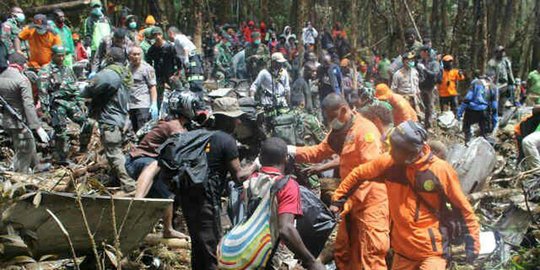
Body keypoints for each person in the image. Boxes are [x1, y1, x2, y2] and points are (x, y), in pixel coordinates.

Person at [331, 121, 480, 270]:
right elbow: (359, 173)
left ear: (411, 151)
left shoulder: (440, 170)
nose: (391, 152)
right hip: (403, 253)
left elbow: (463, 208)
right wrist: (338, 198)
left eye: (396, 149)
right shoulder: (390, 162)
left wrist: (473, 244)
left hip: (432, 252)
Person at [288, 93, 389, 270]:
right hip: (349, 201)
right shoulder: (340, 132)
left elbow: (370, 173)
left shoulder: (365, 132)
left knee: (370, 254)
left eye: (330, 117)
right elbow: (318, 152)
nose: (329, 121)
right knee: (344, 251)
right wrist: (291, 151)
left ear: (343, 110)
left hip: (370, 202)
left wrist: (345, 201)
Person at [179, 97, 256, 269]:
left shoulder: (200, 134)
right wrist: (255, 166)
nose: (238, 121)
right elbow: (239, 176)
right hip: (205, 198)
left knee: (199, 245)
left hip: (187, 195)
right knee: (212, 248)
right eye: (235, 118)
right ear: (229, 120)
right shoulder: (226, 140)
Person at [242, 137, 326, 270]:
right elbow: (286, 229)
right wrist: (311, 262)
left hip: (254, 251)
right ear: (286, 158)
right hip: (277, 255)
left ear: (261, 158)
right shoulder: (287, 185)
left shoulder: (251, 181)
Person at [131, 91, 206, 239]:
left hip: (153, 163)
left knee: (167, 191)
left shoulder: (179, 124)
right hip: (140, 160)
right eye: (194, 106)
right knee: (155, 164)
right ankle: (137, 200)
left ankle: (168, 229)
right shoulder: (174, 126)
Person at [81, 47, 136, 193]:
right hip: (121, 117)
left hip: (110, 118)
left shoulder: (109, 73)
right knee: (114, 150)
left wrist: (84, 88)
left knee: (114, 152)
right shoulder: (125, 72)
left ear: (110, 58)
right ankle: (116, 179)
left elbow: (90, 89)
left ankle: (129, 185)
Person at [37, 45, 93, 164]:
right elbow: (43, 92)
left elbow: (75, 88)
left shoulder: (68, 69)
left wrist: (81, 102)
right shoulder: (46, 71)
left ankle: (83, 148)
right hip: (57, 104)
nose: (62, 58)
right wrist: (45, 110)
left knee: (88, 123)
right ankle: (62, 158)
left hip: (71, 102)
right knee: (61, 132)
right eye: (59, 56)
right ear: (52, 56)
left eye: (63, 55)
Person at [0, 44, 49, 173]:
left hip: (6, 120)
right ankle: (20, 176)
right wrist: (37, 127)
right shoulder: (22, 80)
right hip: (18, 121)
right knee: (23, 149)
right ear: (21, 65)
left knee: (29, 141)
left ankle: (36, 166)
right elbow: (28, 104)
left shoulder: (2, 76)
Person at [146, 27, 181, 106]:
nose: (157, 37)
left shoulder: (170, 47)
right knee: (158, 96)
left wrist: (177, 74)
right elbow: (149, 64)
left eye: (159, 34)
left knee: (178, 92)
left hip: (170, 75)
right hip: (158, 76)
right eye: (155, 35)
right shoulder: (152, 49)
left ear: (162, 35)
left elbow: (178, 60)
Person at [457, 76, 498, 142]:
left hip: (471, 110)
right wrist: (495, 121)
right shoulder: (494, 87)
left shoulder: (475, 82)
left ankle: (467, 141)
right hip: (484, 111)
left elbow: (468, 98)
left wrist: (460, 112)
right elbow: (494, 106)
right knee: (484, 131)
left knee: (467, 128)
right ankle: (483, 143)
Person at [128, 46, 158, 132]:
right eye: (134, 54)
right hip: (131, 105)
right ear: (130, 56)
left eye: (138, 54)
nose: (137, 56)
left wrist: (154, 103)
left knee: (142, 131)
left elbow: (152, 87)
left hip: (143, 104)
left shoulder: (147, 68)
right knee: (134, 131)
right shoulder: (128, 68)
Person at [167, 26, 205, 94]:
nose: (168, 36)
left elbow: (185, 47)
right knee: (190, 79)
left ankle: (198, 96)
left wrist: (186, 58)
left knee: (195, 78)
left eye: (168, 34)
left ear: (171, 33)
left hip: (192, 58)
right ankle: (193, 94)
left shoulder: (179, 38)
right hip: (190, 59)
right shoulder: (176, 41)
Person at [487, 45, 515, 115]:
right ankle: (492, 114)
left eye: (503, 51)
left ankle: (500, 114)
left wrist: (512, 83)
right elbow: (490, 75)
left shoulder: (506, 61)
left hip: (505, 84)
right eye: (500, 52)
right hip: (496, 85)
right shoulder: (492, 62)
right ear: (496, 53)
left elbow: (509, 72)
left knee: (503, 100)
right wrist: (491, 84)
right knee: (494, 101)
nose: (502, 53)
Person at [417, 45, 440, 129]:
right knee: (419, 106)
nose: (420, 53)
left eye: (421, 51)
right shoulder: (420, 62)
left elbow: (434, 74)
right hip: (420, 87)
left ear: (426, 52)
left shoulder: (434, 63)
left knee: (429, 107)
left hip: (430, 88)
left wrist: (424, 69)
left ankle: (428, 125)